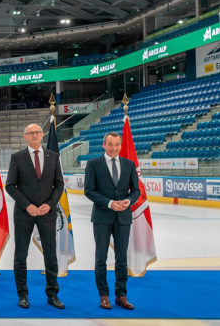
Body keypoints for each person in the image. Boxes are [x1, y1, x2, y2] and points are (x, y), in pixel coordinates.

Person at [5, 123, 65, 310]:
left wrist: (49, 204)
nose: (34, 135)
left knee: (50, 255)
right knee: (21, 255)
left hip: (47, 213)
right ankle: (22, 295)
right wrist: (27, 205)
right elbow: (10, 185)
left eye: (37, 132)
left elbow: (59, 184)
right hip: (25, 213)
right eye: (30, 132)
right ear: (25, 136)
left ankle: (52, 294)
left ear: (42, 134)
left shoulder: (53, 156)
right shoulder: (17, 157)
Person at [84, 132, 141, 310]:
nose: (113, 148)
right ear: (104, 145)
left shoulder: (129, 164)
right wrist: (109, 203)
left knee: (121, 258)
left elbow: (136, 191)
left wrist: (128, 201)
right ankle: (104, 295)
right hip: (102, 217)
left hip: (123, 218)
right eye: (110, 144)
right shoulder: (93, 164)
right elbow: (89, 190)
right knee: (101, 258)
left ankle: (121, 295)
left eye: (117, 144)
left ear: (120, 145)